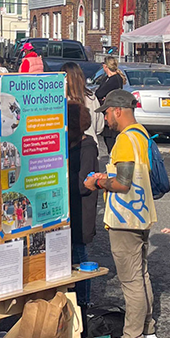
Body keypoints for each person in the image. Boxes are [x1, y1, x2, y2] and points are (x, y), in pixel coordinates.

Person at [85, 89, 157, 338]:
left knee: (130, 280)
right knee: (141, 273)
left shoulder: (125, 140)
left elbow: (124, 183)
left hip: (125, 217)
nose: (104, 119)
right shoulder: (141, 133)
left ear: (117, 110)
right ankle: (148, 325)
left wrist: (99, 182)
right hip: (141, 212)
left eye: (105, 113)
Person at [67, 103, 99, 307]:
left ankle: (84, 301)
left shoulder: (87, 148)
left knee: (79, 255)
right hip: (68, 209)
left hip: (80, 211)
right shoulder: (69, 143)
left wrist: (59, 181)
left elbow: (85, 184)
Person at [64, 61, 104, 140]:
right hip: (91, 144)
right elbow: (100, 126)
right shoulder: (91, 97)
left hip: (70, 145)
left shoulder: (62, 100)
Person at [96, 56, 125, 152]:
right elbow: (99, 93)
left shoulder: (115, 79)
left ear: (105, 66)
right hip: (106, 111)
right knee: (107, 141)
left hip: (112, 112)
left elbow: (99, 93)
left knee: (111, 142)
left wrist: (104, 97)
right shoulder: (106, 78)